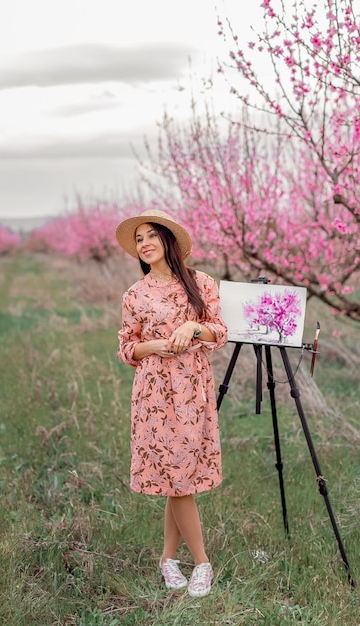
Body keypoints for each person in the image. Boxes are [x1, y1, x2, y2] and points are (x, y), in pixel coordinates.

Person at [115, 209, 228, 598]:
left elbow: (220, 331)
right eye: (139, 239)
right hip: (155, 391)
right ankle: (201, 562)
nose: (144, 244)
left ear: (169, 241)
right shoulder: (135, 294)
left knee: (179, 477)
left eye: (151, 236)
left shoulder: (201, 282)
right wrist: (153, 346)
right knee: (177, 477)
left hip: (193, 387)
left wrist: (192, 327)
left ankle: (167, 559)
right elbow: (126, 347)